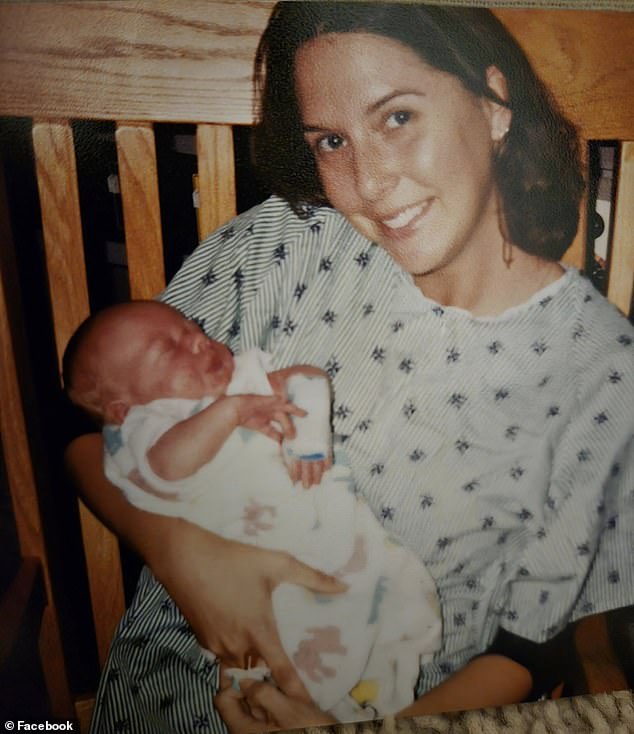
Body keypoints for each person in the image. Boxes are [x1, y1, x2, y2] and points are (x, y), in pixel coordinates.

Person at [65, 4, 634, 733]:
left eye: (397, 118)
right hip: (171, 698)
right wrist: (183, 553)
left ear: (494, 105)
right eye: (332, 140)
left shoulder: (598, 372)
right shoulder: (284, 246)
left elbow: (532, 644)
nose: (368, 180)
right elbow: (86, 423)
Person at [63, 299, 441, 720]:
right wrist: (235, 410)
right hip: (248, 579)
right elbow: (166, 469)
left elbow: (308, 378)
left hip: (324, 540)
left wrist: (310, 436)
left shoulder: (243, 378)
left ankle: (377, 691)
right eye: (170, 349)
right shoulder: (146, 428)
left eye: (195, 329)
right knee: (282, 657)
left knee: (375, 616)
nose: (199, 342)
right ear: (122, 408)